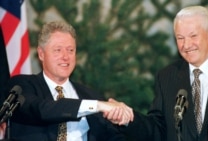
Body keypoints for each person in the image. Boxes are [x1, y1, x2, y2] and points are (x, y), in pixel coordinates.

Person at [105, 5, 208, 141]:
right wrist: (127, 119)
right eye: (180, 38)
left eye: (193, 36)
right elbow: (157, 130)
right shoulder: (168, 76)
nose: (186, 45)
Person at [4, 21, 133, 141]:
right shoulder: (21, 86)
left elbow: (113, 137)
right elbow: (43, 109)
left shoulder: (90, 95)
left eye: (70, 50)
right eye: (58, 50)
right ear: (41, 54)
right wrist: (97, 106)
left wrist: (122, 117)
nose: (65, 57)